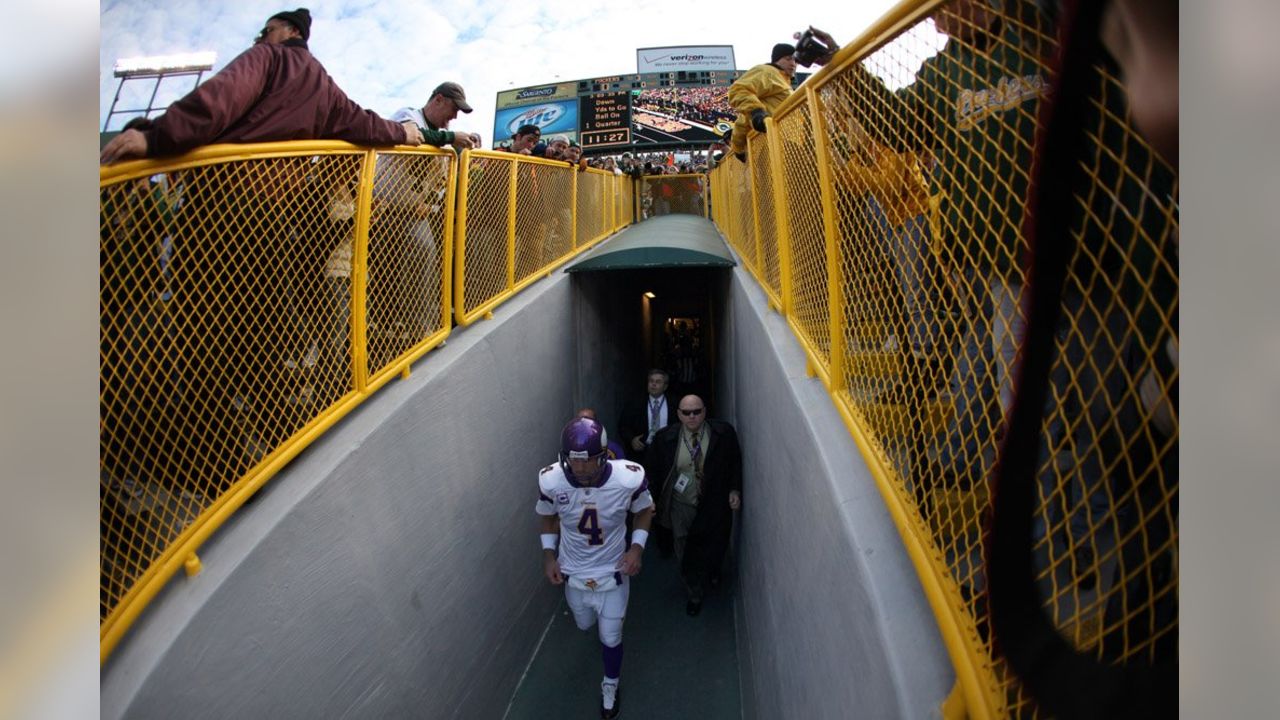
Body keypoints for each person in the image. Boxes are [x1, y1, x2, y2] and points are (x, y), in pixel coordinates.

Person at [100, 8, 420, 164]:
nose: (261, 37)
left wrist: (156, 137)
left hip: (224, 201)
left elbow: (218, 101)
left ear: (290, 31)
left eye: (267, 30)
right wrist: (401, 131)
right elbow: (361, 123)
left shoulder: (268, 56)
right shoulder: (325, 85)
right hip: (275, 217)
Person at [537, 418, 654, 719]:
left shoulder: (627, 478)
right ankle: (599, 635)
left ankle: (610, 685)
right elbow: (548, 517)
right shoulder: (553, 481)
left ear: (604, 456)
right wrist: (549, 555)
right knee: (584, 624)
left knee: (610, 637)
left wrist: (637, 548)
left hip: (613, 572)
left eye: (588, 461)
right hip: (573, 572)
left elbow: (643, 510)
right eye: (574, 462)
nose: (580, 469)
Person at [643, 395, 741, 616]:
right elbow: (653, 471)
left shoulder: (722, 434)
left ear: (705, 412)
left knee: (715, 543)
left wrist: (734, 489)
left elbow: (735, 461)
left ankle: (713, 569)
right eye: (686, 412)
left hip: (713, 502)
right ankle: (694, 590)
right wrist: (650, 499)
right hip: (682, 504)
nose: (692, 416)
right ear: (678, 414)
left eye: (697, 411)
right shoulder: (665, 439)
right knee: (684, 546)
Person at [726, 27, 837, 161]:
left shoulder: (784, 83)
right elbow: (739, 89)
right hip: (779, 143)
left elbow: (743, 120)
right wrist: (756, 112)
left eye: (795, 60)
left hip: (784, 144)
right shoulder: (767, 71)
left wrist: (738, 147)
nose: (793, 64)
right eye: (788, 59)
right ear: (777, 60)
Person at [389, 82, 482, 151]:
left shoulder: (445, 140)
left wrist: (465, 148)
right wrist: (452, 137)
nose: (455, 116)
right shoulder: (407, 114)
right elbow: (410, 134)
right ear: (438, 100)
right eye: (454, 109)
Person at [616, 369, 676, 458]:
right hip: (642, 450)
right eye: (651, 381)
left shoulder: (674, 403)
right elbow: (623, 426)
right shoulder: (635, 402)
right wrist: (632, 440)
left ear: (665, 386)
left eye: (658, 382)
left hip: (667, 451)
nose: (653, 384)